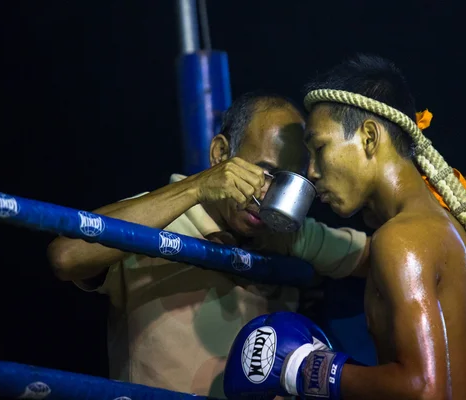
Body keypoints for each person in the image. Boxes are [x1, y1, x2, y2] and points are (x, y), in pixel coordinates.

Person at [223, 55, 466, 399]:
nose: (312, 172)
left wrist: (303, 368)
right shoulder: (449, 227)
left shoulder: (401, 240)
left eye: (319, 148)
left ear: (368, 137)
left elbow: (424, 389)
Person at [46, 92, 371, 398]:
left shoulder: (285, 233)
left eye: (285, 181)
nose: (269, 194)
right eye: (264, 172)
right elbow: (65, 256)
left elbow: (382, 257)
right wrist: (197, 188)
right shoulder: (152, 218)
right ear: (220, 154)